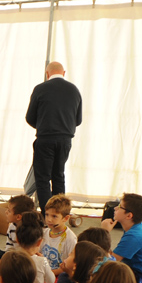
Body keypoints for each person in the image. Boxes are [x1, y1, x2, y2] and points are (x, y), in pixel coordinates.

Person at [25, 61, 82, 213]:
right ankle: (60, 215)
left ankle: (47, 216)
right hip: (65, 140)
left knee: (43, 179)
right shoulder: (74, 90)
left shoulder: (40, 89)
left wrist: (43, 126)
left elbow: (30, 117)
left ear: (47, 74)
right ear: (64, 73)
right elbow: (78, 120)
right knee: (58, 176)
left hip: (45, 139)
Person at [0, 194, 35, 277]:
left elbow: (33, 252)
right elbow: (9, 247)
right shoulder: (12, 226)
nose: (6, 212)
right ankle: (3, 271)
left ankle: (4, 272)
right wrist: (7, 260)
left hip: (26, 260)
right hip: (12, 256)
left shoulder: (32, 229)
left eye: (9, 211)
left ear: (18, 217)